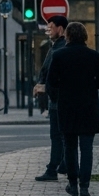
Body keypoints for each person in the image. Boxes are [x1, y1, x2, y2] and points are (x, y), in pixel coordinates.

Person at [45, 22, 99, 196]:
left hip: (67, 107)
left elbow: (51, 84)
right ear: (85, 36)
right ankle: (85, 187)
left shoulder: (59, 56)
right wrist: (90, 86)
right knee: (87, 149)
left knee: (70, 148)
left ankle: (73, 184)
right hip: (88, 107)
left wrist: (59, 95)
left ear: (68, 36)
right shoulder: (93, 56)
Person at [32, 15, 70, 182]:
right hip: (55, 98)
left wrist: (44, 86)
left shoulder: (60, 48)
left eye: (51, 27)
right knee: (60, 135)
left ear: (60, 29)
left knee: (57, 135)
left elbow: (55, 74)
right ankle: (63, 164)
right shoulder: (56, 46)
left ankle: (53, 168)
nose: (48, 31)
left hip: (57, 99)